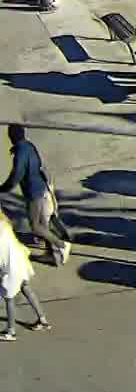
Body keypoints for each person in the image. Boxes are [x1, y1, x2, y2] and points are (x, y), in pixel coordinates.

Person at [2, 126, 69, 266]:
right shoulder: (28, 145)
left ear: (11, 137)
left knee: (36, 226)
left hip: (34, 193)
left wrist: (3, 188)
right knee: (44, 224)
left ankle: (61, 244)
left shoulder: (21, 152)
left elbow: (16, 176)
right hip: (42, 188)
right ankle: (52, 256)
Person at [0, 216, 49, 340]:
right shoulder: (4, 224)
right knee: (26, 288)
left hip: (12, 267)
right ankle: (42, 320)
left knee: (9, 297)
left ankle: (11, 331)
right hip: (21, 260)